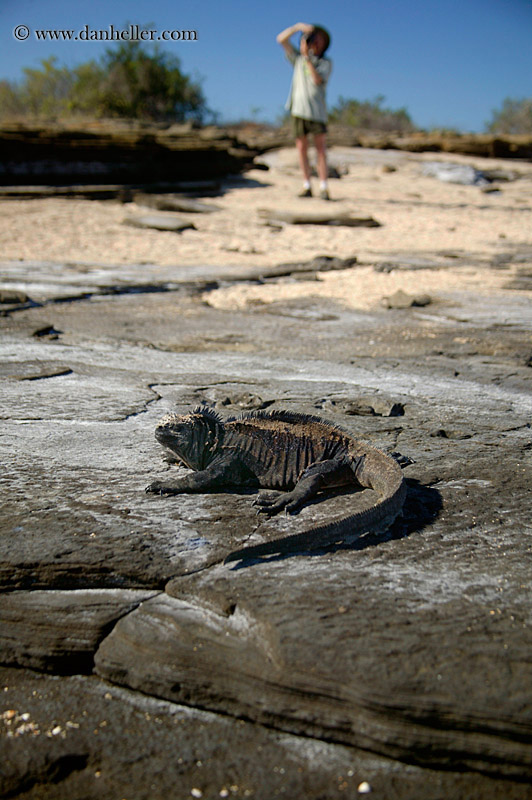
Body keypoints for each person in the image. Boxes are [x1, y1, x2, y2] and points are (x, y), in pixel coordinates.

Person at [276, 22, 332, 199]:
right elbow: (280, 40)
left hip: (317, 112)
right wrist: (297, 28)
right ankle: (306, 185)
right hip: (298, 110)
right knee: (301, 148)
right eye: (312, 39)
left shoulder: (325, 63)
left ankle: (323, 186)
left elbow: (317, 81)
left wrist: (308, 59)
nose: (316, 42)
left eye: (319, 39)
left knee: (320, 149)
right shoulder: (297, 60)